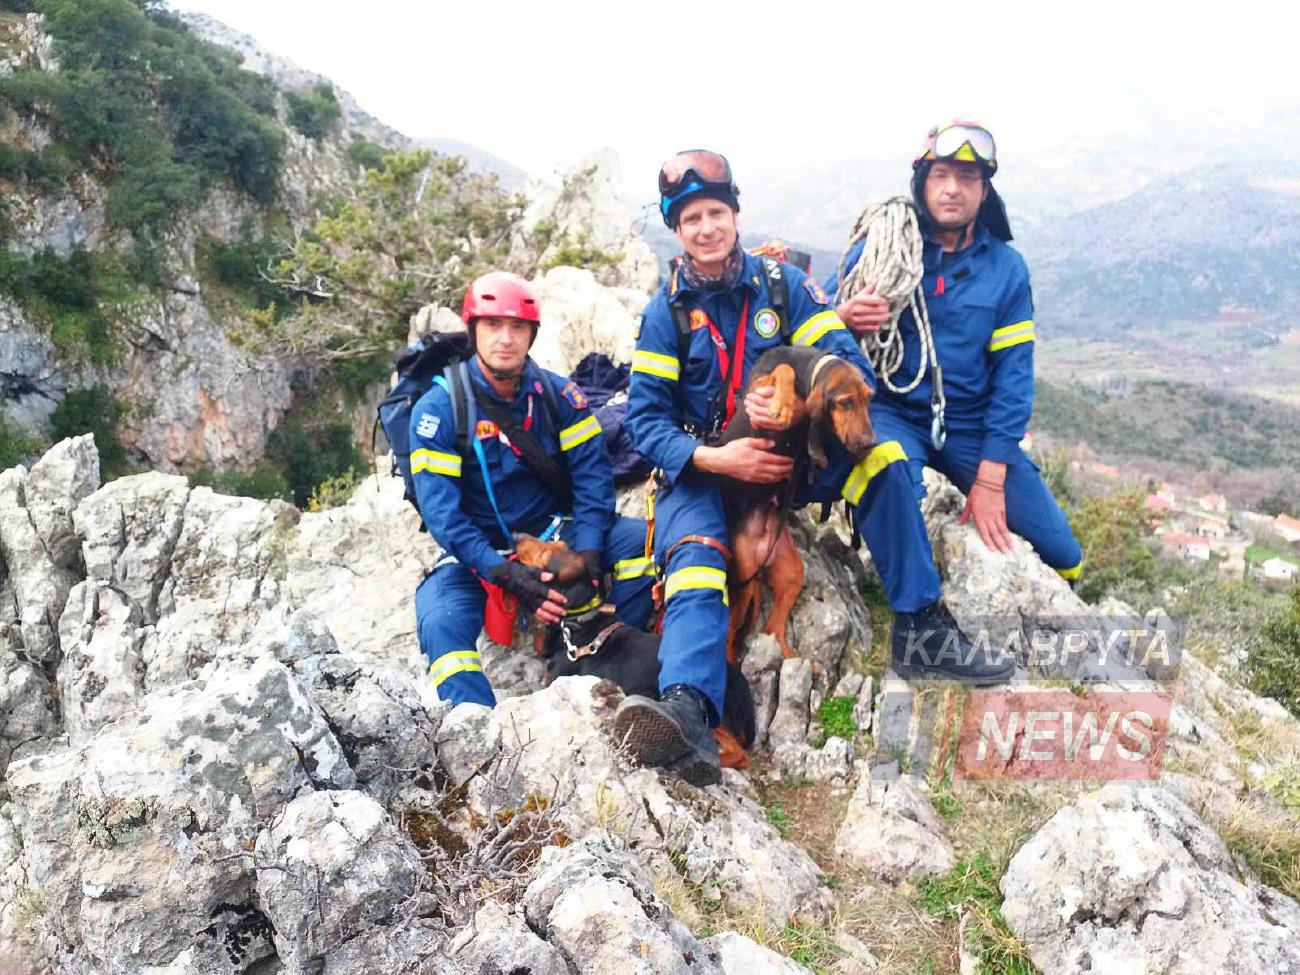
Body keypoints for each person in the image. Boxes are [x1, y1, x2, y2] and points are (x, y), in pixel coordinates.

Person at [618, 150, 1007, 788]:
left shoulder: (785, 287)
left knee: (882, 459)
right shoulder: (667, 314)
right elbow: (646, 421)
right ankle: (689, 711)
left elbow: (845, 357)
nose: (707, 227)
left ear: (736, 214)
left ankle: (921, 625)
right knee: (694, 557)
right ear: (676, 229)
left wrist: (799, 392)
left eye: (717, 211)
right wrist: (715, 455)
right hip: (706, 470)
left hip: (786, 462)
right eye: (691, 218)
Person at [825, 121, 1083, 591]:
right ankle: (915, 604)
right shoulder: (885, 244)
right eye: (940, 175)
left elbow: (1014, 379)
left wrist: (990, 479)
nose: (951, 190)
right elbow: (813, 321)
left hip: (971, 424)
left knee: (1063, 552)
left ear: (985, 192)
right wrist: (843, 316)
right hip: (892, 409)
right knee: (890, 472)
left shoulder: (1006, 270)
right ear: (922, 183)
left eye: (967, 179)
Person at [408, 271, 655, 708]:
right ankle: (479, 732)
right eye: (492, 325)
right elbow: (443, 516)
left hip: (555, 536)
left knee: (643, 545)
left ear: (532, 334)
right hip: (479, 552)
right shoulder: (439, 410)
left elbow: (593, 482)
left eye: (517, 327)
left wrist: (592, 551)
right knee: (439, 619)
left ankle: (607, 654)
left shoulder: (560, 397)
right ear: (473, 331)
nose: (505, 338)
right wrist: (505, 574)